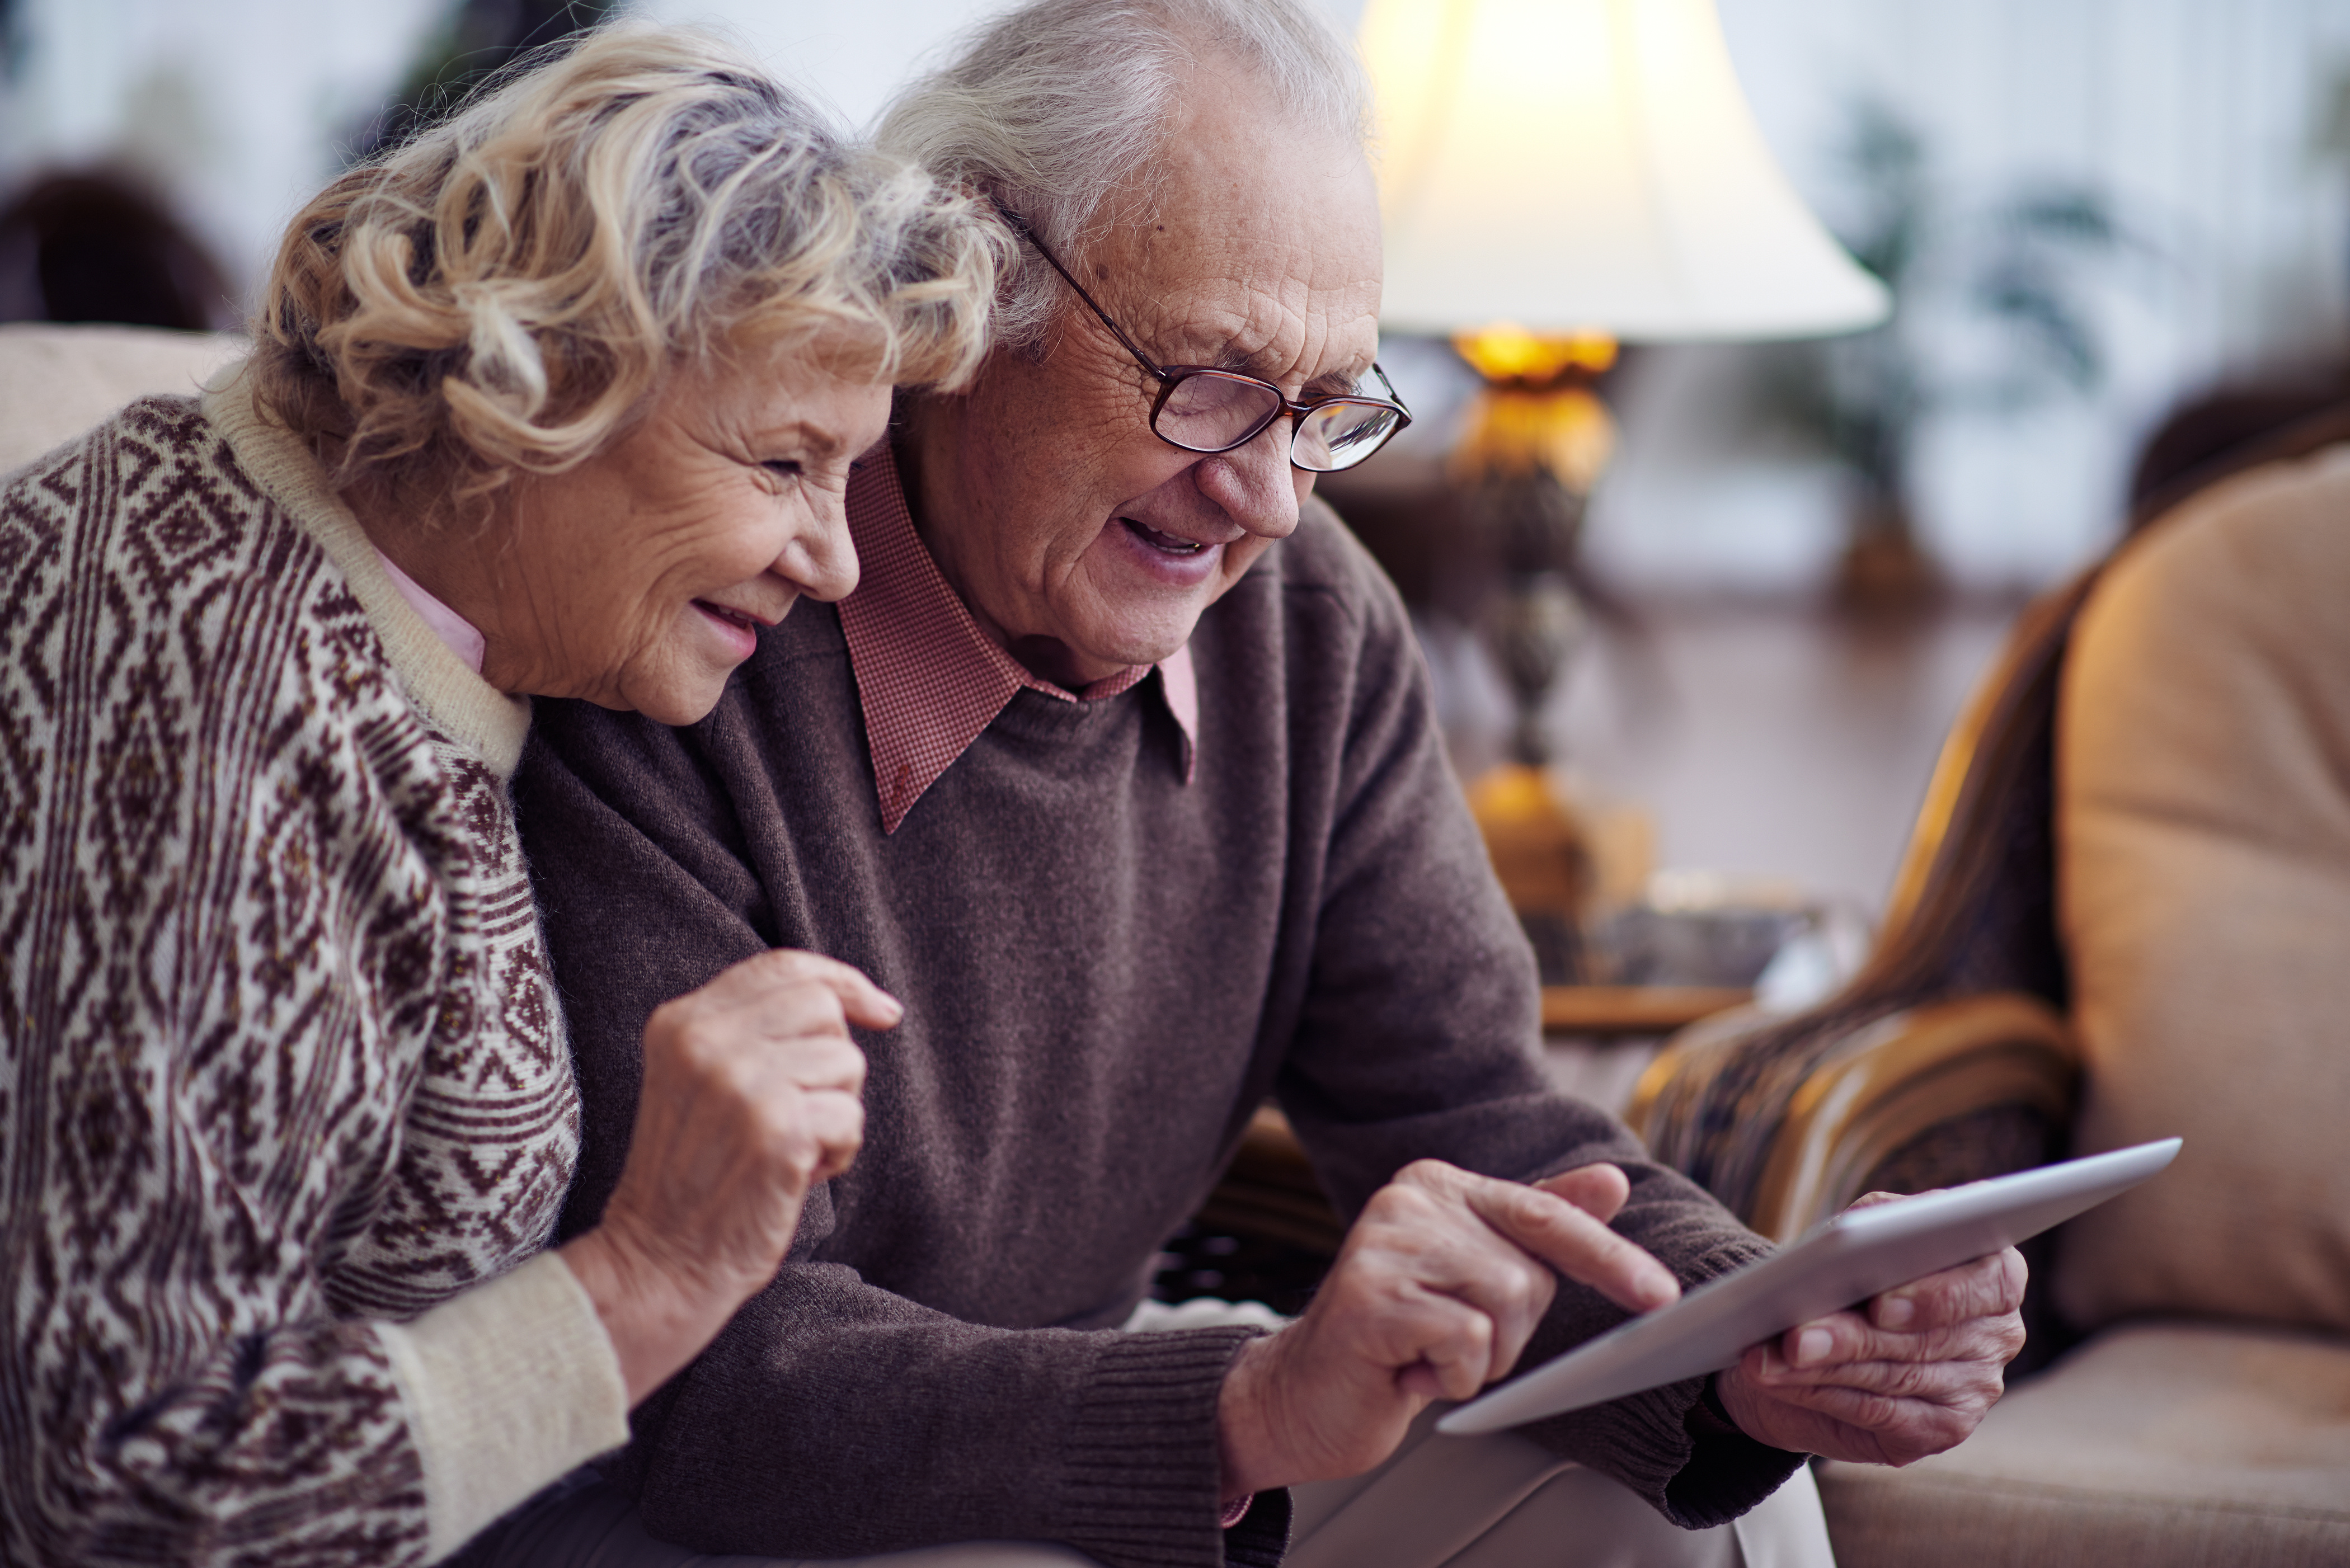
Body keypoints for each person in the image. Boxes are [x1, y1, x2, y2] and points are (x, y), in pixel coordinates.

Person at [511, 3, 2028, 1566]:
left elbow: (1470, 1111)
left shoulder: (1302, 622)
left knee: (1714, 1506)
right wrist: (1232, 1405)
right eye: (1209, 380)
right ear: (966, 291)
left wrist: (1763, 1333)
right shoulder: (697, 627)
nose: (1265, 501)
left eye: (1325, 412)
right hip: (718, 1499)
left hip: (1094, 1398)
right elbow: (703, 1375)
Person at [0, 27, 1003, 1568]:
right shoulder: (214, 705)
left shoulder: (416, 602)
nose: (836, 558)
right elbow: (132, 1487)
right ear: (556, 376)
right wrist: (652, 1273)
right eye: (786, 463)